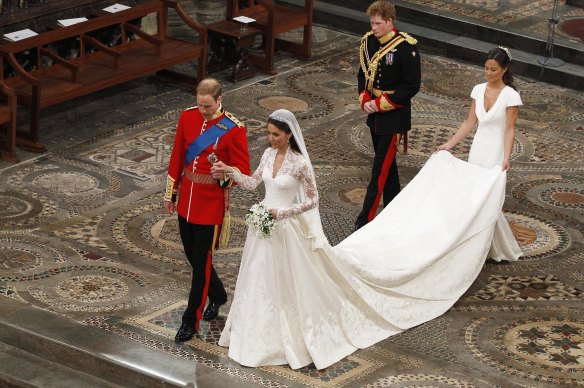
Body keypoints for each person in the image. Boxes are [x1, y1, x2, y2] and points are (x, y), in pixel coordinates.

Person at [211, 108, 514, 370]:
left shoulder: (300, 164)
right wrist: (231, 171)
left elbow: (313, 201)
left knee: (286, 281)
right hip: (262, 228)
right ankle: (251, 334)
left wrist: (285, 212)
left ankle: (285, 337)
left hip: (285, 228)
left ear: (289, 135)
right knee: (257, 279)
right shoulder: (266, 154)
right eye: (269, 133)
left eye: (276, 134)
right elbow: (253, 185)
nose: (271, 139)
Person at [164, 78, 250, 343]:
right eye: (200, 105)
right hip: (187, 198)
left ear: (219, 100)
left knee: (200, 265)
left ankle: (190, 320)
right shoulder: (187, 117)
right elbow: (178, 155)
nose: (203, 110)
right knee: (192, 256)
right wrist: (171, 193)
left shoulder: (233, 129)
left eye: (208, 106)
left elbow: (242, 172)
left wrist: (225, 174)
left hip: (211, 205)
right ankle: (219, 294)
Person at [437, 46, 522, 261]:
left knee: (487, 197)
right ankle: (479, 246)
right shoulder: (477, 89)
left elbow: (510, 129)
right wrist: (449, 144)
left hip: (496, 150)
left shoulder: (511, 96)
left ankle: (482, 248)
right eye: (486, 68)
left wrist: (506, 158)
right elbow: (469, 122)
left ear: (504, 70)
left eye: (493, 69)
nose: (489, 73)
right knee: (475, 196)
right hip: (479, 147)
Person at [355, 0, 421, 231]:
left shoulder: (405, 47)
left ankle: (365, 221)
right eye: (372, 23)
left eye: (378, 23)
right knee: (388, 168)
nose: (373, 27)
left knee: (379, 169)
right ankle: (395, 211)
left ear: (390, 22)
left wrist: (381, 104)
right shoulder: (369, 42)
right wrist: (364, 99)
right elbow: (363, 74)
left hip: (394, 115)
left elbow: (411, 86)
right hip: (374, 114)